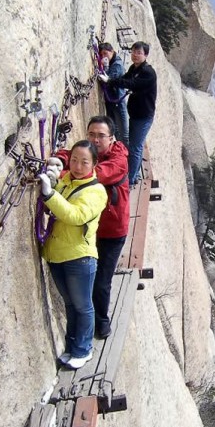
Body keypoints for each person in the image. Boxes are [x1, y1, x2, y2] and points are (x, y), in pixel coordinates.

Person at [48, 116, 130, 339]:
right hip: (89, 231)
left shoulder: (118, 160)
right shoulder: (89, 155)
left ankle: (101, 325)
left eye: (101, 135)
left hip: (112, 232)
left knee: (101, 282)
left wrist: (62, 172)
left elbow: (93, 173)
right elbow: (74, 154)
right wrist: (61, 158)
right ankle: (89, 325)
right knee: (88, 283)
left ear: (111, 139)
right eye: (91, 134)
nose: (95, 139)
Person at [38, 140, 108, 369]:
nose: (78, 166)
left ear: (94, 164)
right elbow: (58, 196)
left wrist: (49, 194)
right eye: (75, 160)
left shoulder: (97, 191)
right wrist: (55, 181)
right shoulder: (68, 180)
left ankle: (83, 349)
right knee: (70, 304)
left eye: (84, 162)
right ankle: (71, 348)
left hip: (80, 257)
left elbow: (76, 215)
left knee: (82, 305)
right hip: (58, 253)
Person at [98, 41, 157, 186]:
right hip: (136, 114)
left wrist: (110, 80)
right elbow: (126, 79)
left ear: (146, 55)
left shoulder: (148, 73)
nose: (135, 55)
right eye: (134, 52)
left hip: (143, 117)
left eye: (139, 53)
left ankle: (130, 181)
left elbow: (131, 84)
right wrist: (111, 79)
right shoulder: (134, 68)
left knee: (135, 147)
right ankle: (134, 175)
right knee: (134, 146)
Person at [98, 42, 129, 146]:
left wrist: (105, 67)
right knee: (114, 129)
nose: (104, 56)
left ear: (112, 51)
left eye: (105, 53)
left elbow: (110, 80)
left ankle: (128, 155)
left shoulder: (117, 65)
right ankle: (121, 150)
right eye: (101, 55)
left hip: (118, 101)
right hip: (111, 101)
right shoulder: (114, 62)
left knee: (124, 132)